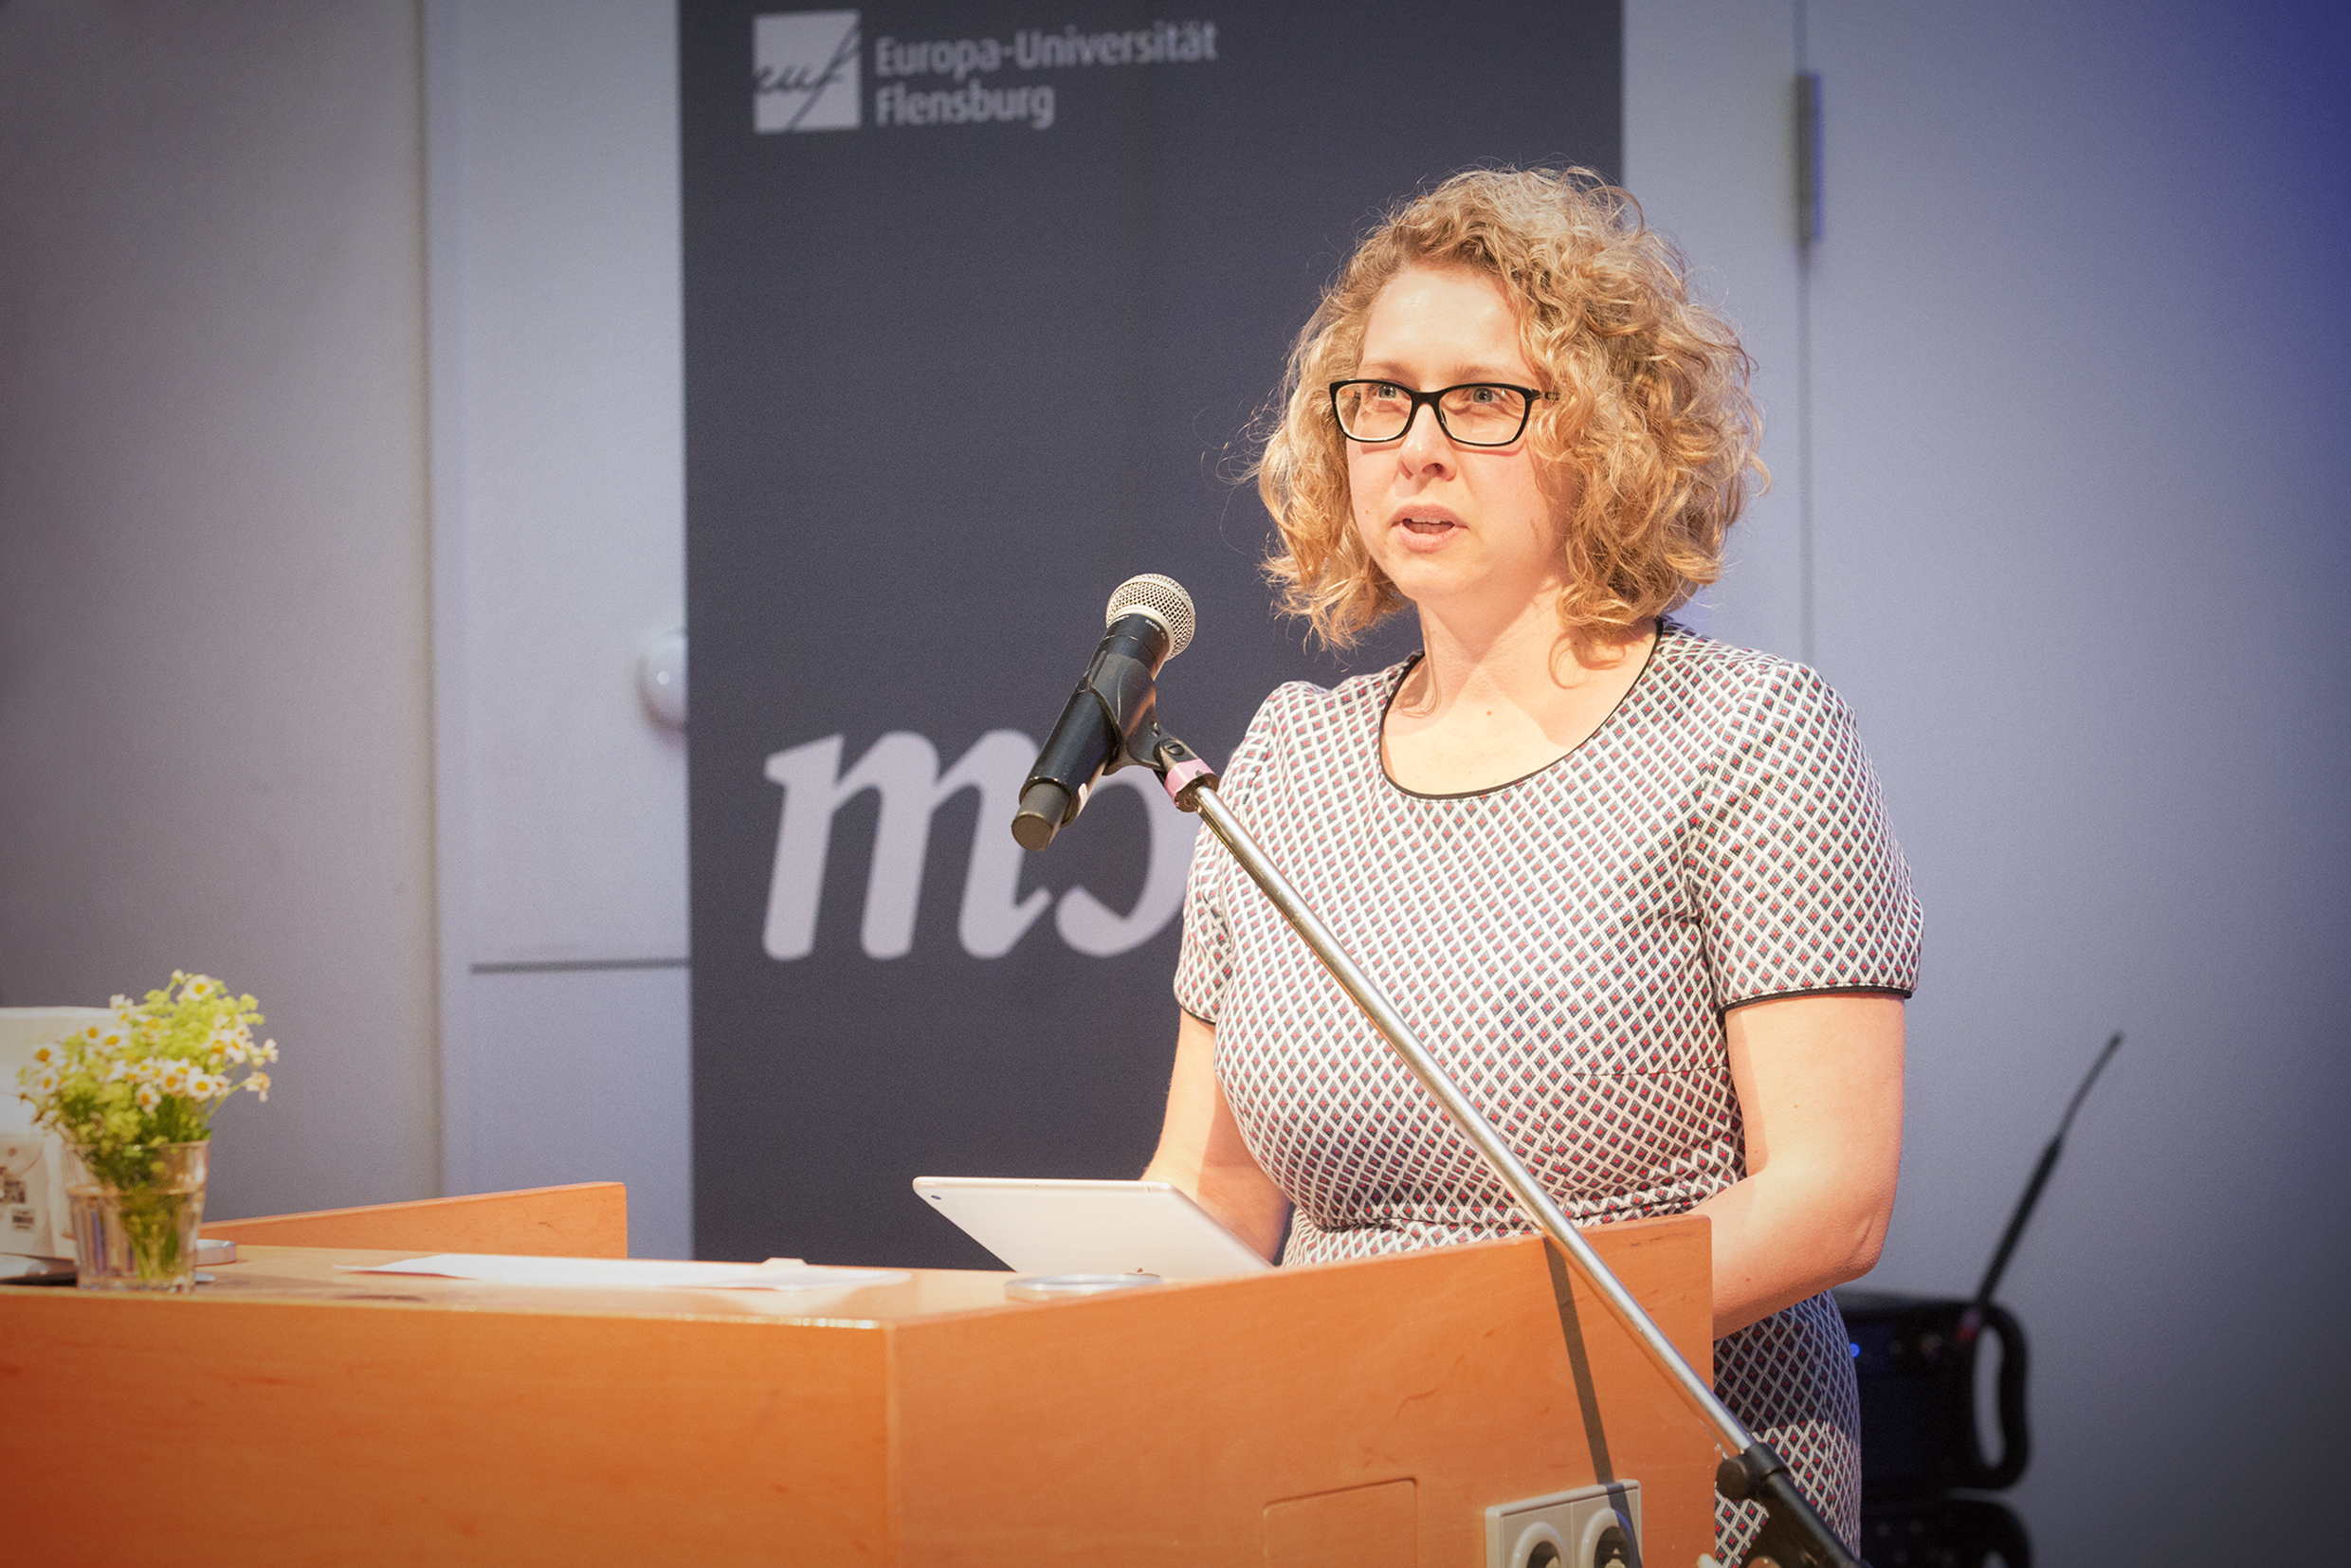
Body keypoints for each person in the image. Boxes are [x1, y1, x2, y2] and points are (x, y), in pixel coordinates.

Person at [1140, 168, 1921, 1560]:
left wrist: (1466, 1345)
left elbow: (1830, 1200)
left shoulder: (1749, 735)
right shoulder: (1288, 760)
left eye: (1482, 399)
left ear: (1608, 435)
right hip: (1346, 1483)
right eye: (1382, 398)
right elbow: (1211, 1200)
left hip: (1657, 1476)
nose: (1418, 449)